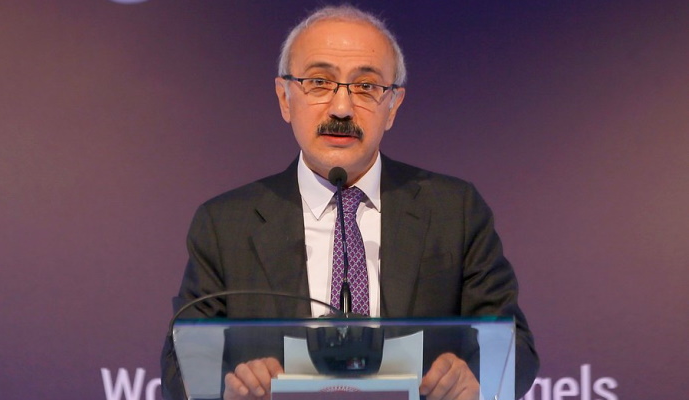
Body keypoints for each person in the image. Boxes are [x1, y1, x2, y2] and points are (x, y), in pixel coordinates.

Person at [161, 5, 538, 400]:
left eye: (366, 87)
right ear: (285, 98)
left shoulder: (454, 211)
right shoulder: (225, 224)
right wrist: (229, 390)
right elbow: (181, 364)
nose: (341, 109)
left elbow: (515, 346)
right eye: (319, 82)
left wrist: (474, 382)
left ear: (393, 106)